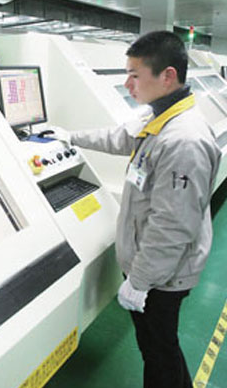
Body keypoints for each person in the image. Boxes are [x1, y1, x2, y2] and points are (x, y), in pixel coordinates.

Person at [52, 31, 221, 388]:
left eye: (134, 75)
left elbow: (171, 226)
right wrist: (69, 137)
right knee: (161, 347)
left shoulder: (184, 140)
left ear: (168, 76)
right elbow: (121, 138)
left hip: (164, 276)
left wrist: (139, 282)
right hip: (157, 269)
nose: (127, 84)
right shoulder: (161, 118)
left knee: (158, 352)